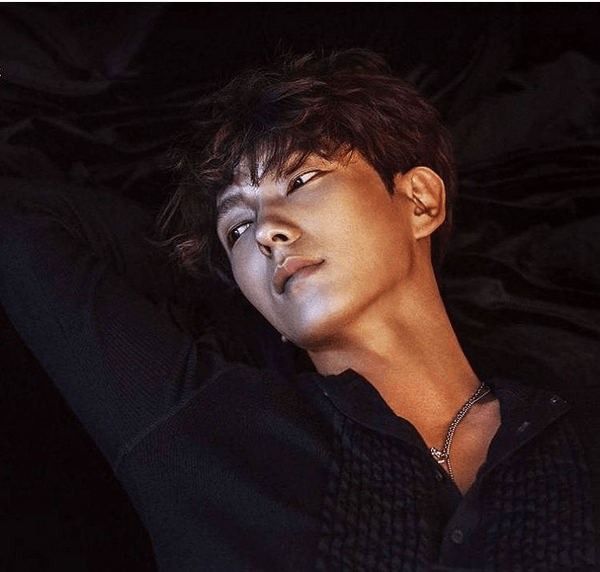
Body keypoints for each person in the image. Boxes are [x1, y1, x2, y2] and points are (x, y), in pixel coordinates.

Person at [0, 49, 597, 571]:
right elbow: (22, 229)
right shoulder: (201, 429)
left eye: (302, 179)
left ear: (419, 201)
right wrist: (210, 274)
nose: (266, 231)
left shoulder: (582, 439)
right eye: (237, 228)